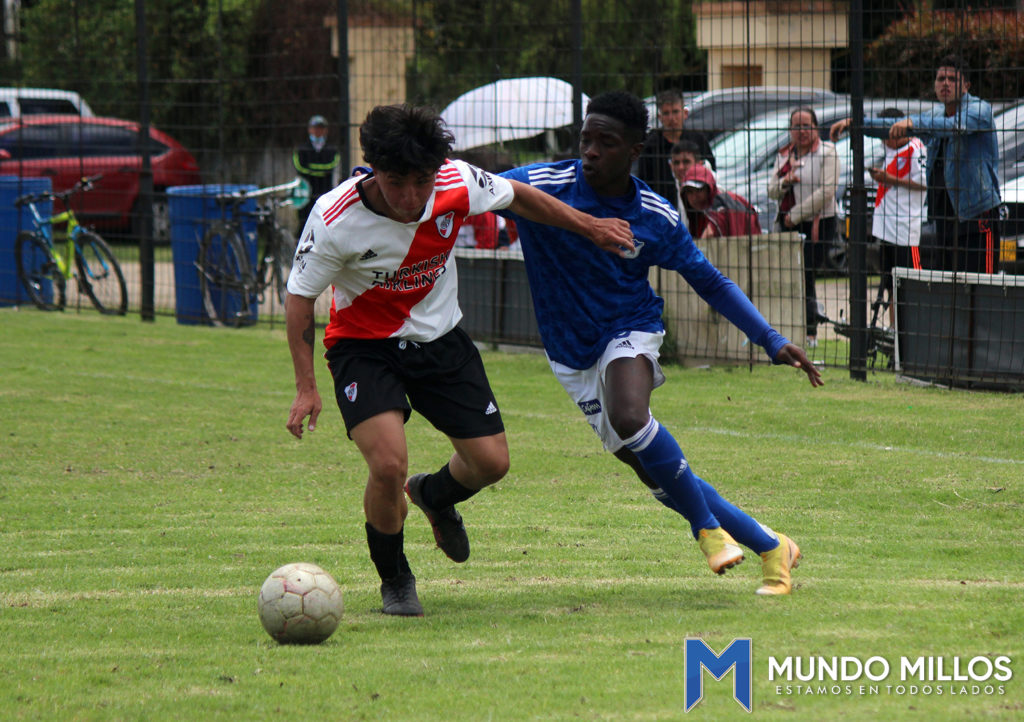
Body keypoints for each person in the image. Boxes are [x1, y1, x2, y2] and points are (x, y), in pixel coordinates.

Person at [283, 104, 633, 617]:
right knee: (386, 465)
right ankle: (396, 579)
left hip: (441, 339)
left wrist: (590, 226)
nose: (410, 197)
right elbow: (298, 300)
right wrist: (306, 387)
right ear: (373, 169)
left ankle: (433, 494)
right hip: (364, 347)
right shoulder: (334, 219)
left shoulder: (457, 181)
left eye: (421, 181)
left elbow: (521, 198)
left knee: (492, 464)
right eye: (397, 181)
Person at [498, 91, 822, 596]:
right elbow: (463, 185)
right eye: (586, 140)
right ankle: (771, 544)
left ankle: (706, 530)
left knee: (631, 416)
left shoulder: (655, 215)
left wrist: (771, 339)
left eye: (607, 142)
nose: (591, 151)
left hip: (629, 326)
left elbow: (710, 282)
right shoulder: (540, 185)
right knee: (657, 471)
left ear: (634, 150)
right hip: (569, 351)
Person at [831, 55, 1001, 274]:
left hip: (977, 214)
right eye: (940, 79)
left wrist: (913, 122)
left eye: (952, 79)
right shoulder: (936, 114)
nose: (945, 84)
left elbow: (953, 126)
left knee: (981, 284)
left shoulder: (980, 110)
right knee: (950, 286)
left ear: (966, 85)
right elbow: (894, 125)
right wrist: (857, 124)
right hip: (945, 217)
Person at [768, 107, 840, 348]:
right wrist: (785, 182)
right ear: (790, 130)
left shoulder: (827, 153)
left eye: (806, 125)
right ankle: (791, 328)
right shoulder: (784, 155)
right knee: (790, 276)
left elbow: (827, 191)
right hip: (788, 224)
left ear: (816, 128)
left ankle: (810, 332)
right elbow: (771, 190)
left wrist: (796, 215)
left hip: (819, 223)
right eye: (796, 126)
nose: (801, 131)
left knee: (807, 274)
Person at [865, 108, 927, 327]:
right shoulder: (888, 148)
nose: (886, 142)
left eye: (888, 137)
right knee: (891, 284)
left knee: (910, 285)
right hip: (885, 229)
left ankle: (915, 330)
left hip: (905, 230)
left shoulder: (916, 148)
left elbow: (924, 184)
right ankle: (894, 330)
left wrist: (889, 179)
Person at [636, 90, 715, 203]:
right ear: (660, 117)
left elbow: (711, 173)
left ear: (685, 113)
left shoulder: (698, 140)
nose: (672, 118)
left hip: (695, 206)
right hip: (662, 206)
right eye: (666, 113)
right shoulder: (651, 146)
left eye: (675, 112)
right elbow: (644, 182)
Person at [679, 164, 762, 238]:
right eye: (689, 192)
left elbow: (711, 231)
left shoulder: (721, 206)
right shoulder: (699, 215)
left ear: (709, 189)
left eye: (699, 190)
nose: (694, 197)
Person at [293, 114, 341, 228]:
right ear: (309, 129)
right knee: (304, 223)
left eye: (321, 128)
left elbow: (331, 166)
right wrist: (321, 171)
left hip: (325, 192)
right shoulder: (301, 149)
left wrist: (311, 169)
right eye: (315, 128)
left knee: (325, 223)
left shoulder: (332, 150)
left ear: (326, 130)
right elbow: (300, 167)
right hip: (305, 193)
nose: (318, 131)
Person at [669, 139, 708, 221]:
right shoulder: (676, 186)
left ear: (699, 164)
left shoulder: (710, 186)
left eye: (686, 162)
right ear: (671, 166)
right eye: (676, 163)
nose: (680, 167)